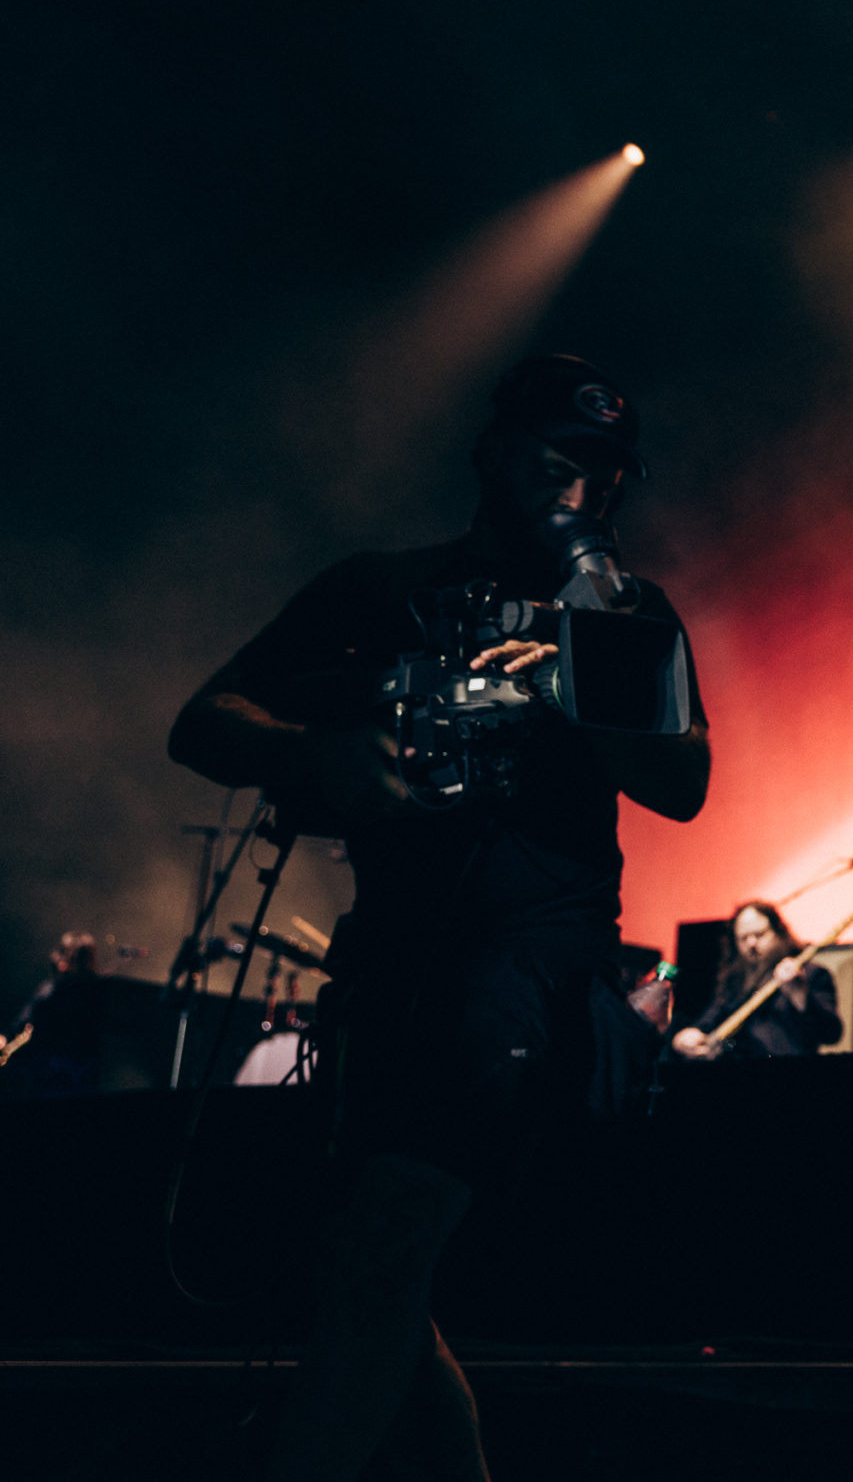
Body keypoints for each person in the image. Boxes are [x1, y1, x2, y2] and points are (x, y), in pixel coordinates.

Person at [169, 354, 710, 1482]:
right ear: (494, 452)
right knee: (371, 1273)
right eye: (560, 460)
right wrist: (315, 753)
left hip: (529, 983)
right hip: (393, 972)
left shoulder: (625, 611)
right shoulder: (376, 590)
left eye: (606, 471)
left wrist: (574, 681)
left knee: (384, 1240)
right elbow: (204, 720)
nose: (584, 489)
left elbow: (683, 781)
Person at [670, 900, 842, 1058]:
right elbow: (709, 1020)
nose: (751, 943)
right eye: (743, 938)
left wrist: (800, 995)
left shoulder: (811, 973)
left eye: (759, 935)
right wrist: (683, 1038)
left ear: (778, 933)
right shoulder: (735, 980)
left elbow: (831, 1034)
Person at [4, 931, 108, 1097]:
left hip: (51, 1075)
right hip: (88, 1079)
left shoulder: (52, 990)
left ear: (64, 960)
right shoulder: (103, 992)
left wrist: (7, 1039)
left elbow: (23, 1025)